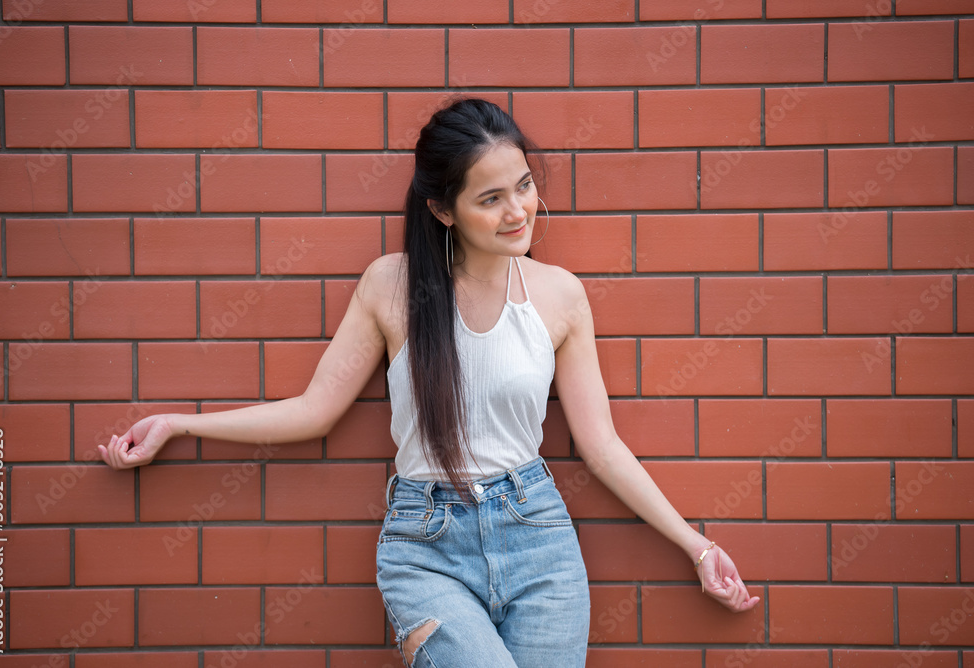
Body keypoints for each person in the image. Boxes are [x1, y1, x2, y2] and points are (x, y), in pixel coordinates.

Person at [100, 97, 759, 667]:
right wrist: (183, 424)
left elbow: (603, 446)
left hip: (539, 542)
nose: (518, 212)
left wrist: (696, 546)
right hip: (426, 547)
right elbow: (315, 410)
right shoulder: (391, 285)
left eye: (524, 186)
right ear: (444, 210)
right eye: (491, 198)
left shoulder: (560, 297)